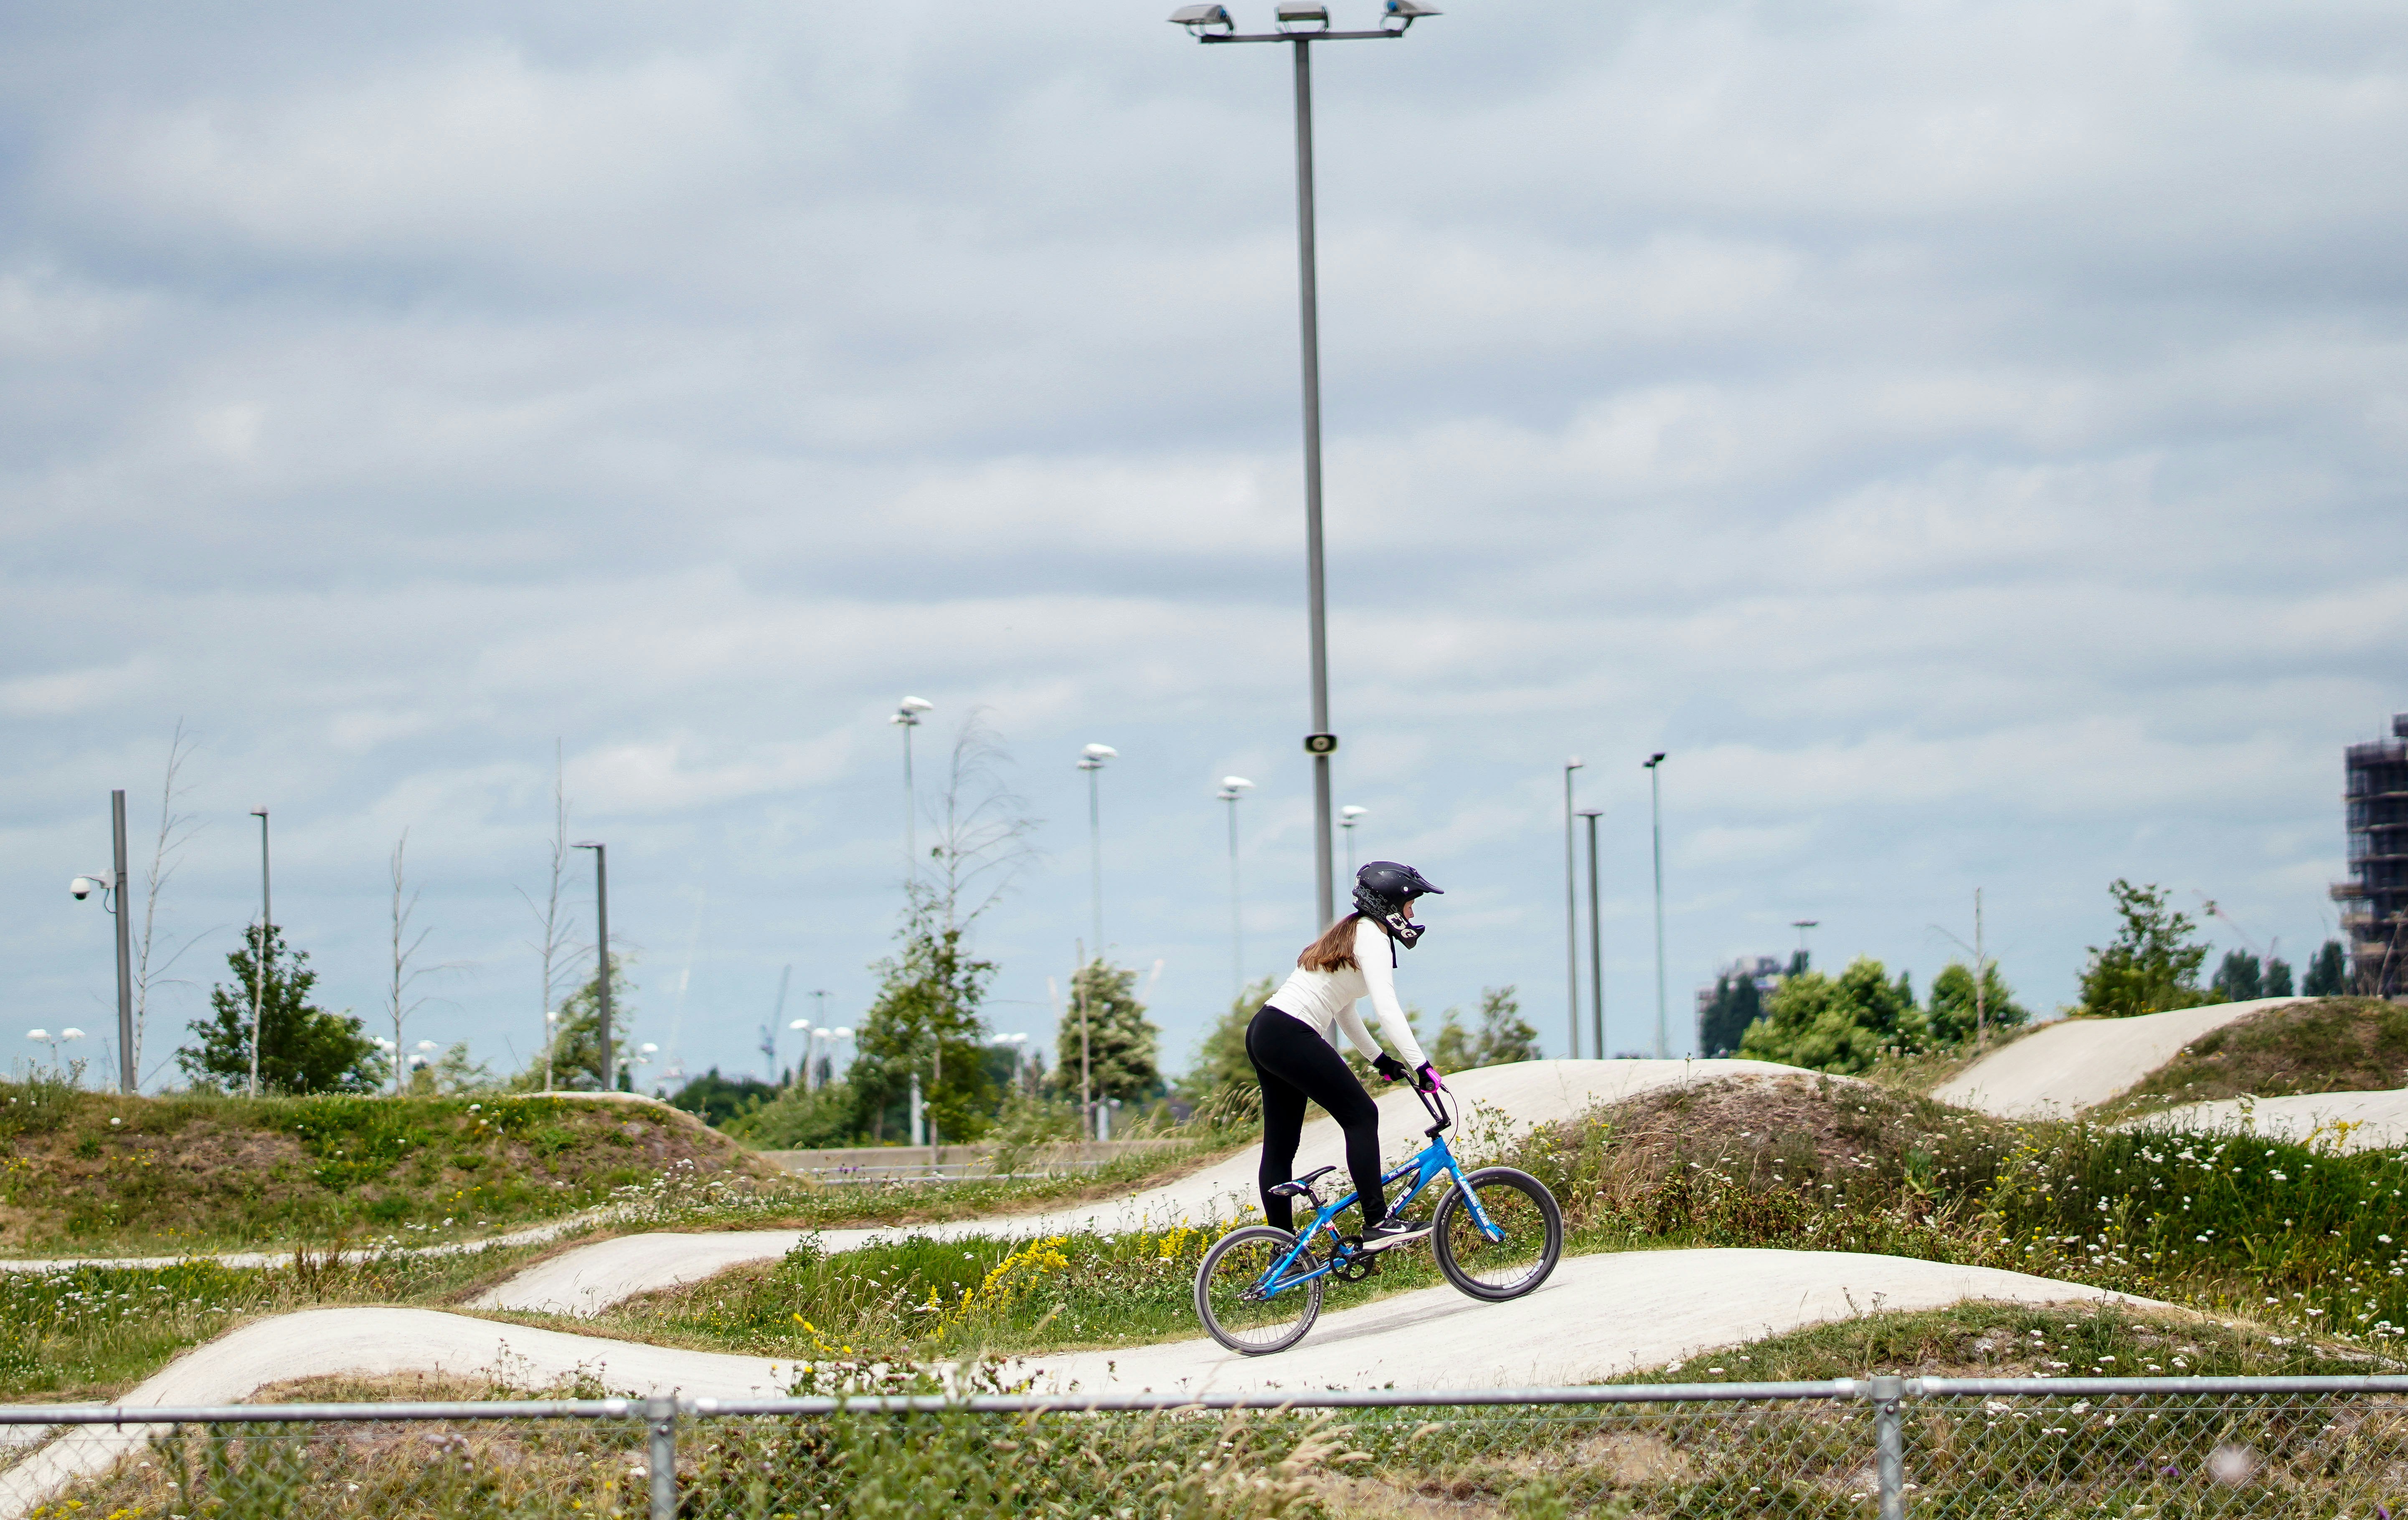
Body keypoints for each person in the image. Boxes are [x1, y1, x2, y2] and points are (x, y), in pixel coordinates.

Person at [1247, 860, 1446, 1250]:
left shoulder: (1352, 933)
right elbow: (1387, 1008)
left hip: (1266, 1031)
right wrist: (1420, 1064)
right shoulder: (1372, 936)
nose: (1412, 914)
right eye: (1410, 905)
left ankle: (1283, 1250)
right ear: (1391, 904)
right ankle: (1377, 1221)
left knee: (1281, 1146)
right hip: (1290, 1032)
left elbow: (1343, 1008)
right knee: (1362, 1114)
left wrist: (1379, 1059)